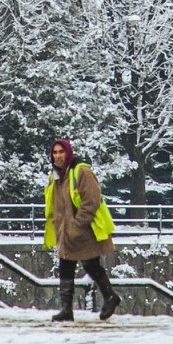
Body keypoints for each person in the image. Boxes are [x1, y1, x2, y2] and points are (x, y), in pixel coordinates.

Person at [42, 138, 120, 322]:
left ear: (68, 152)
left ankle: (108, 297)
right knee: (67, 266)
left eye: (61, 152)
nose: (58, 156)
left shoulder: (81, 171)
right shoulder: (56, 175)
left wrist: (78, 224)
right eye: (55, 152)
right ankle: (68, 309)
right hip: (65, 230)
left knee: (90, 264)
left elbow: (92, 200)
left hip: (83, 230)